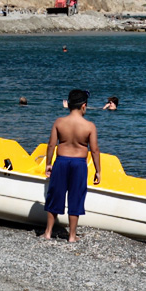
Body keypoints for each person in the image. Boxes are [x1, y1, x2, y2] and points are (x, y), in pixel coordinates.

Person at [43, 89, 100, 242]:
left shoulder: (59, 122)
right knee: (76, 197)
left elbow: (51, 145)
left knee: (55, 195)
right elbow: (94, 150)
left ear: (68, 105)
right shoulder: (89, 126)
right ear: (84, 106)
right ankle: (72, 236)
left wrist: (48, 163)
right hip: (79, 164)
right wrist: (98, 171)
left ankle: (48, 232)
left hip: (61, 161)